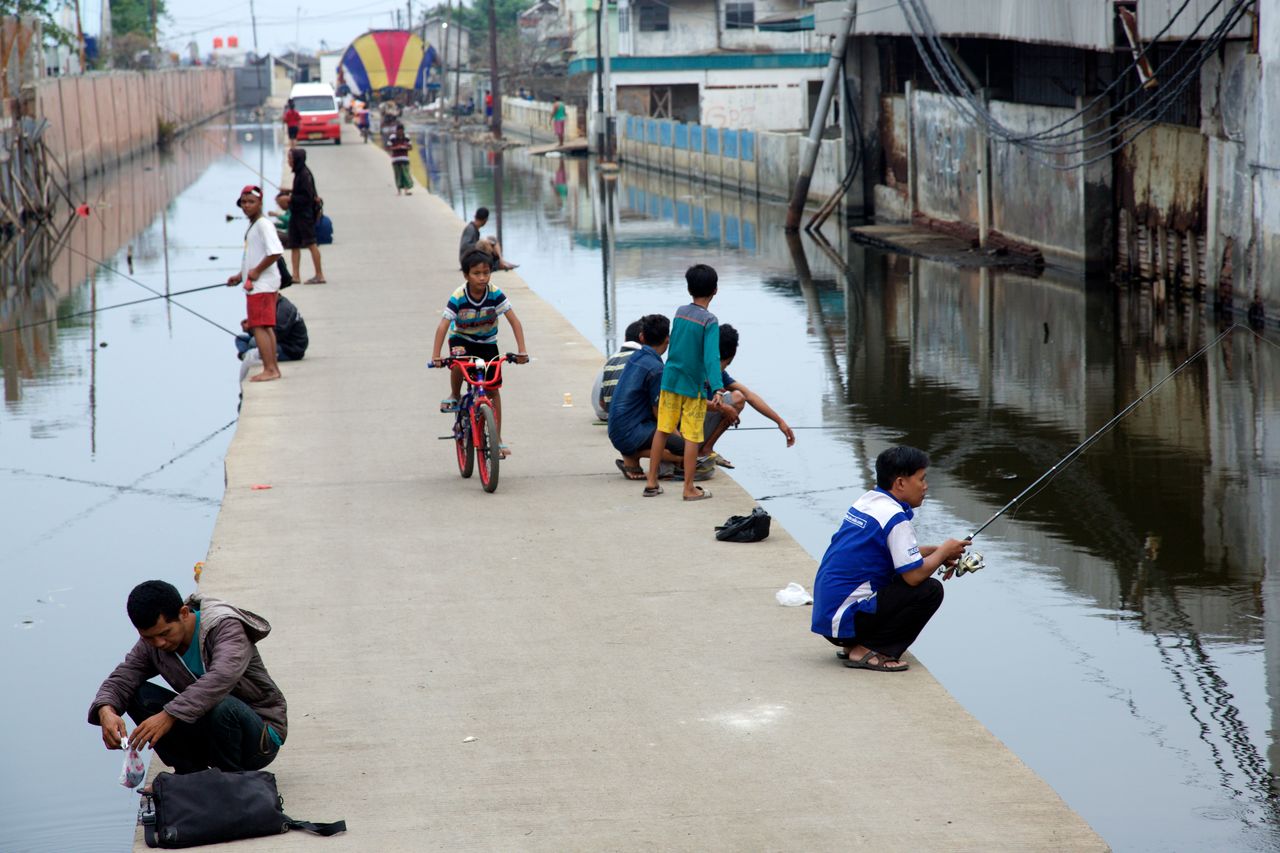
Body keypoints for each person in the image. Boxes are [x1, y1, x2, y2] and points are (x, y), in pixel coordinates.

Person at [88, 580, 287, 774]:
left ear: (183, 613)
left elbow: (221, 677)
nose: (159, 643)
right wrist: (106, 710)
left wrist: (169, 714)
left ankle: (231, 780)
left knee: (223, 706)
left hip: (259, 740)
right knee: (136, 693)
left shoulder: (226, 627)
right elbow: (122, 679)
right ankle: (190, 772)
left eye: (165, 633)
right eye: (148, 637)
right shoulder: (152, 644)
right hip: (210, 734)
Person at [810, 446, 972, 672]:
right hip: (845, 620)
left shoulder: (868, 502)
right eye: (922, 479)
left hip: (830, 617)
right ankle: (871, 649)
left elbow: (887, 553)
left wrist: (935, 552)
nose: (925, 487)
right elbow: (914, 576)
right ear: (901, 483)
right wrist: (944, 551)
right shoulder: (895, 518)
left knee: (900, 578)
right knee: (929, 590)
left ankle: (854, 645)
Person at [431, 251, 530, 458]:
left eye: (486, 272)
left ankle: (498, 439)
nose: (482, 277)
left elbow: (515, 321)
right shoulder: (458, 296)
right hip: (462, 339)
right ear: (466, 275)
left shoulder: (495, 294)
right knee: (458, 361)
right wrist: (436, 356)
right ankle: (456, 394)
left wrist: (522, 351)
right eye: (477, 273)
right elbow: (443, 326)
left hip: (487, 342)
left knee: (493, 390)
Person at [643, 264, 724, 501]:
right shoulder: (710, 321)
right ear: (715, 290)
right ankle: (689, 489)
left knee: (663, 429)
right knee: (691, 436)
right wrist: (718, 387)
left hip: (670, 380)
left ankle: (651, 482)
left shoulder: (679, 312)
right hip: (692, 386)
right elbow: (711, 357)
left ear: (689, 288)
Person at [697, 324, 796, 468]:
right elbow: (689, 401)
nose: (724, 367)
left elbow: (749, 395)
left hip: (699, 426)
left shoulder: (720, 374)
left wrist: (779, 421)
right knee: (728, 404)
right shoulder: (695, 368)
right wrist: (723, 408)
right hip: (683, 430)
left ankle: (706, 449)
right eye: (727, 363)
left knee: (738, 397)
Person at [608, 314, 690, 480]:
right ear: (668, 339)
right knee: (686, 449)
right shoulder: (657, 369)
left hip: (617, 429)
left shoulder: (636, 357)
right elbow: (659, 413)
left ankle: (631, 457)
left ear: (641, 337)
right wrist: (681, 440)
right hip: (632, 433)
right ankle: (633, 455)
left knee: (678, 439)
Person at [225, 185, 284, 382]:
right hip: (260, 284)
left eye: (251, 202)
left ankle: (270, 369)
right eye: (243, 202)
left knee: (258, 327)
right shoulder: (254, 225)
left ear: (260, 203)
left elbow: (275, 252)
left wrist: (257, 271)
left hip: (262, 285)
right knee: (266, 327)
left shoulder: (263, 225)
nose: (246, 206)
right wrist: (240, 275)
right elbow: (254, 255)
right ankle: (272, 367)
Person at [235, 294, 309, 382]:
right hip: (281, 341)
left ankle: (250, 354)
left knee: (252, 347)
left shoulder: (284, 308)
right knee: (240, 339)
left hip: (290, 349)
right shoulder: (273, 304)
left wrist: (252, 329)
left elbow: (276, 333)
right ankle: (246, 353)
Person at [287, 148, 326, 284]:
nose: (288, 161)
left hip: (304, 215)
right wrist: (289, 191)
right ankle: (295, 276)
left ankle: (319, 275)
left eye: (290, 158)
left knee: (311, 244)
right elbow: (301, 192)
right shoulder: (299, 173)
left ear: (297, 159)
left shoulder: (304, 174)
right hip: (296, 215)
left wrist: (289, 199)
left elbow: (306, 197)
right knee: (294, 245)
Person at [591, 319, 643, 421]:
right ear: (643, 338)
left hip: (601, 409)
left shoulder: (613, 358)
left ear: (625, 338)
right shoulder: (640, 359)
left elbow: (602, 402)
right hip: (613, 414)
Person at [459, 207, 516, 271]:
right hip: (467, 259)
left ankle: (501, 261)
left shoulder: (474, 228)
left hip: (472, 256)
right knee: (484, 243)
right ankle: (500, 263)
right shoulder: (470, 229)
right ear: (485, 220)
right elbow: (465, 246)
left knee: (492, 238)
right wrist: (481, 244)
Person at [389, 124, 413, 195]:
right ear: (396, 131)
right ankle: (399, 191)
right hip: (395, 160)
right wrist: (397, 147)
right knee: (398, 175)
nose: (400, 132)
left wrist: (404, 147)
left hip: (405, 159)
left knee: (405, 174)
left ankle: (406, 190)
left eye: (401, 131)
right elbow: (389, 147)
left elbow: (410, 148)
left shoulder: (407, 137)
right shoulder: (392, 137)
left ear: (403, 131)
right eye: (399, 131)